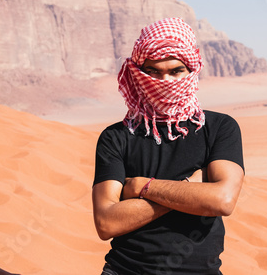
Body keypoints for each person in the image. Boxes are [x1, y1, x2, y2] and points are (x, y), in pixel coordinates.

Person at [92, 17, 244, 275]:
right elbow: (106, 223)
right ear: (138, 74)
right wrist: (192, 189)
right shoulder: (116, 137)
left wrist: (142, 186)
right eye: (152, 72)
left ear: (191, 71)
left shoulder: (219, 128)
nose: (165, 81)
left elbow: (223, 200)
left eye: (176, 71)